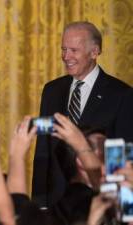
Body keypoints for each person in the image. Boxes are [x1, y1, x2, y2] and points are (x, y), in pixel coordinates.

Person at [32, 21, 132, 207]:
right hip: (57, 204)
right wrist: (40, 204)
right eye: (63, 49)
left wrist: (123, 209)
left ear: (94, 52)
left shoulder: (122, 95)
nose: (66, 56)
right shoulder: (52, 91)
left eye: (73, 50)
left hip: (99, 202)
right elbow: (43, 150)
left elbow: (124, 158)